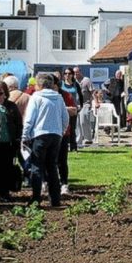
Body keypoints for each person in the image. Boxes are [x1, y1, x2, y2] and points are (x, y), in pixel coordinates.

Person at [22, 73, 69, 206]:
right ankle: (55, 199)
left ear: (40, 84)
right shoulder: (59, 98)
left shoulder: (36, 97)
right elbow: (65, 118)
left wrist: (25, 136)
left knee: (37, 166)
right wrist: (61, 131)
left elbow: (29, 119)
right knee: (52, 167)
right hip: (56, 135)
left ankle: (36, 198)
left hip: (40, 134)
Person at [53, 72, 78, 196]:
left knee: (62, 160)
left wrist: (62, 108)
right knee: (49, 160)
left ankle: (64, 184)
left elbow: (74, 110)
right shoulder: (42, 96)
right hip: (49, 132)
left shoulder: (65, 95)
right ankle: (48, 183)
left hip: (63, 132)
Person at [61, 67, 82, 151]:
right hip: (63, 108)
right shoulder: (61, 84)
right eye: (65, 73)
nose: (67, 75)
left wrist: (80, 106)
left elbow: (80, 96)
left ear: (72, 75)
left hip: (73, 109)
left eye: (69, 73)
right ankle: (63, 146)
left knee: (72, 128)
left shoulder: (75, 84)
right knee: (64, 128)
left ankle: (73, 147)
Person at [74, 67, 94, 146]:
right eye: (74, 73)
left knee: (83, 121)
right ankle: (78, 140)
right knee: (77, 123)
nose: (76, 74)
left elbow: (92, 92)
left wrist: (95, 102)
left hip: (85, 103)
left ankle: (88, 139)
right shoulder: (73, 82)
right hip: (76, 105)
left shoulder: (86, 80)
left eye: (77, 72)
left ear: (80, 72)